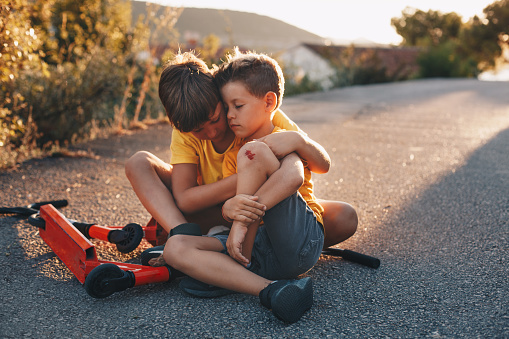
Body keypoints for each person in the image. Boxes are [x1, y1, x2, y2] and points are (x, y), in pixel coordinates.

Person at [125, 51, 357, 260]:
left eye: (215, 118)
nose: (211, 132)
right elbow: (185, 198)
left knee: (345, 216)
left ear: (218, 95)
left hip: (255, 206)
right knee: (138, 162)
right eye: (198, 131)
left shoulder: (250, 110)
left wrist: (298, 141)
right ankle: (181, 233)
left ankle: (244, 246)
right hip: (207, 208)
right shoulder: (187, 125)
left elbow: (316, 164)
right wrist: (251, 177)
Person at [162, 49, 331, 323]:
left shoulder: (275, 135)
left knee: (253, 154)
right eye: (227, 107)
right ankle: (271, 289)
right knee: (175, 249)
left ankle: (223, 272)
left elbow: (294, 176)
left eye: (236, 107)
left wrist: (239, 220)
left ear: (268, 102)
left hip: (296, 241)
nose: (230, 116)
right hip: (262, 249)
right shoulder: (238, 142)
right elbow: (232, 197)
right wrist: (231, 211)